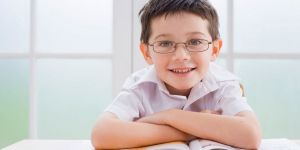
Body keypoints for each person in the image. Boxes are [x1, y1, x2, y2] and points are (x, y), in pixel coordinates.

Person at [91, 0, 261, 149]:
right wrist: (190, 131)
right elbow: (102, 134)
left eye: (195, 42)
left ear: (214, 49)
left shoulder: (223, 84)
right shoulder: (139, 86)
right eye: (165, 43)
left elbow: (250, 135)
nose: (181, 56)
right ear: (147, 53)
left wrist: (169, 116)